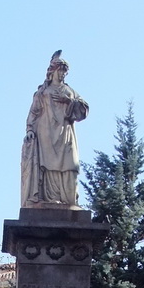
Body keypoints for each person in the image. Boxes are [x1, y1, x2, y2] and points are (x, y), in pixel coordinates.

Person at [21, 50, 88, 207]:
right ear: (53, 71)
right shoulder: (43, 92)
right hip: (46, 133)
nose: (63, 74)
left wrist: (69, 101)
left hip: (65, 133)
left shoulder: (69, 91)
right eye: (60, 70)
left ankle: (69, 201)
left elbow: (84, 110)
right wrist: (30, 129)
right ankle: (49, 199)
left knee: (69, 165)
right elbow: (33, 112)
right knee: (48, 166)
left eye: (65, 71)